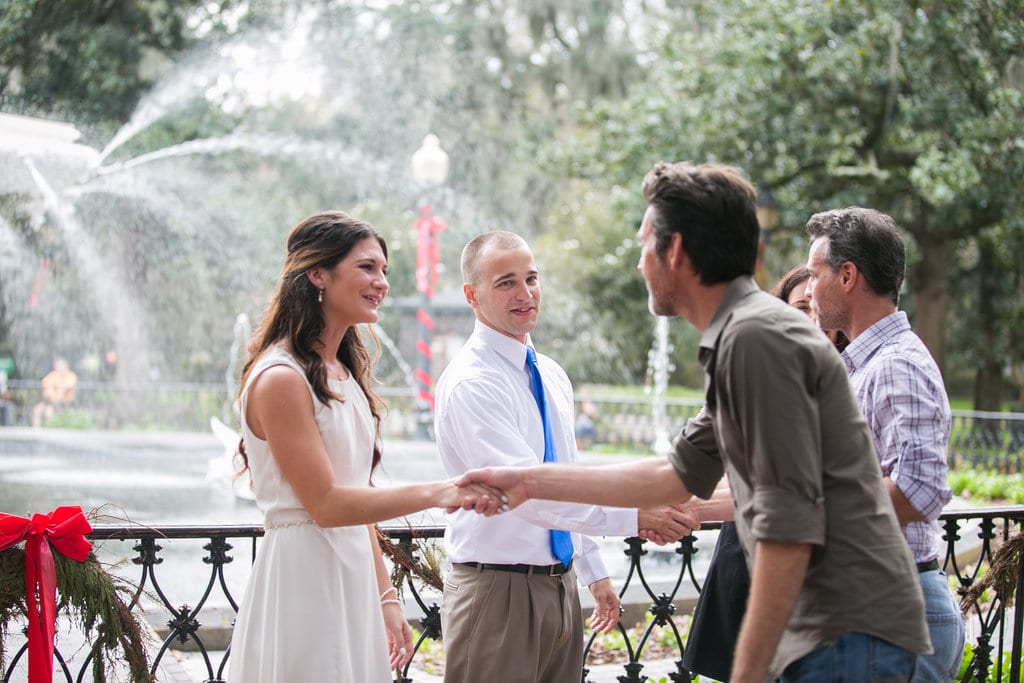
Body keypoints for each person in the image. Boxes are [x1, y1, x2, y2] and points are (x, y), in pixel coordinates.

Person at [460, 163, 931, 683]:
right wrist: (528, 481)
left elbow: (785, 530)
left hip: (843, 636)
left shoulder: (756, 340)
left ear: (675, 252)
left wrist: (748, 673)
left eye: (644, 245)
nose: (639, 264)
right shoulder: (746, 333)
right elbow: (673, 476)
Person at [226, 210, 505, 683]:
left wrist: (386, 597)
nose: (382, 282)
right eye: (367, 268)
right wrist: (442, 492)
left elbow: (358, 501)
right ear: (318, 274)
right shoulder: (280, 378)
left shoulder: (344, 373)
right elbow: (328, 505)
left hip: (352, 570)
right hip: (303, 577)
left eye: (384, 271)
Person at [434, 230, 697, 683]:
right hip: (496, 589)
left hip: (559, 584)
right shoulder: (471, 383)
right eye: (506, 283)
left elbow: (568, 477)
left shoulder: (550, 374)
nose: (525, 293)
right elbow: (526, 493)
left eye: (531, 278)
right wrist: (635, 514)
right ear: (471, 296)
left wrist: (593, 571)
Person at [805, 207, 966, 682]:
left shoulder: (895, 364)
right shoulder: (866, 364)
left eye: (815, 275)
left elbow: (919, 490)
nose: (809, 289)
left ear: (848, 276)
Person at [31, 357, 77, 428]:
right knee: (36, 410)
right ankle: (36, 430)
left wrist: (54, 388)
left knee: (49, 413)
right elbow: (45, 385)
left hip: (64, 402)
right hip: (50, 401)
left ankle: (52, 430)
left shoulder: (70, 375)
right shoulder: (53, 375)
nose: (56, 367)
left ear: (65, 366)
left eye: (58, 366)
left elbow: (66, 388)